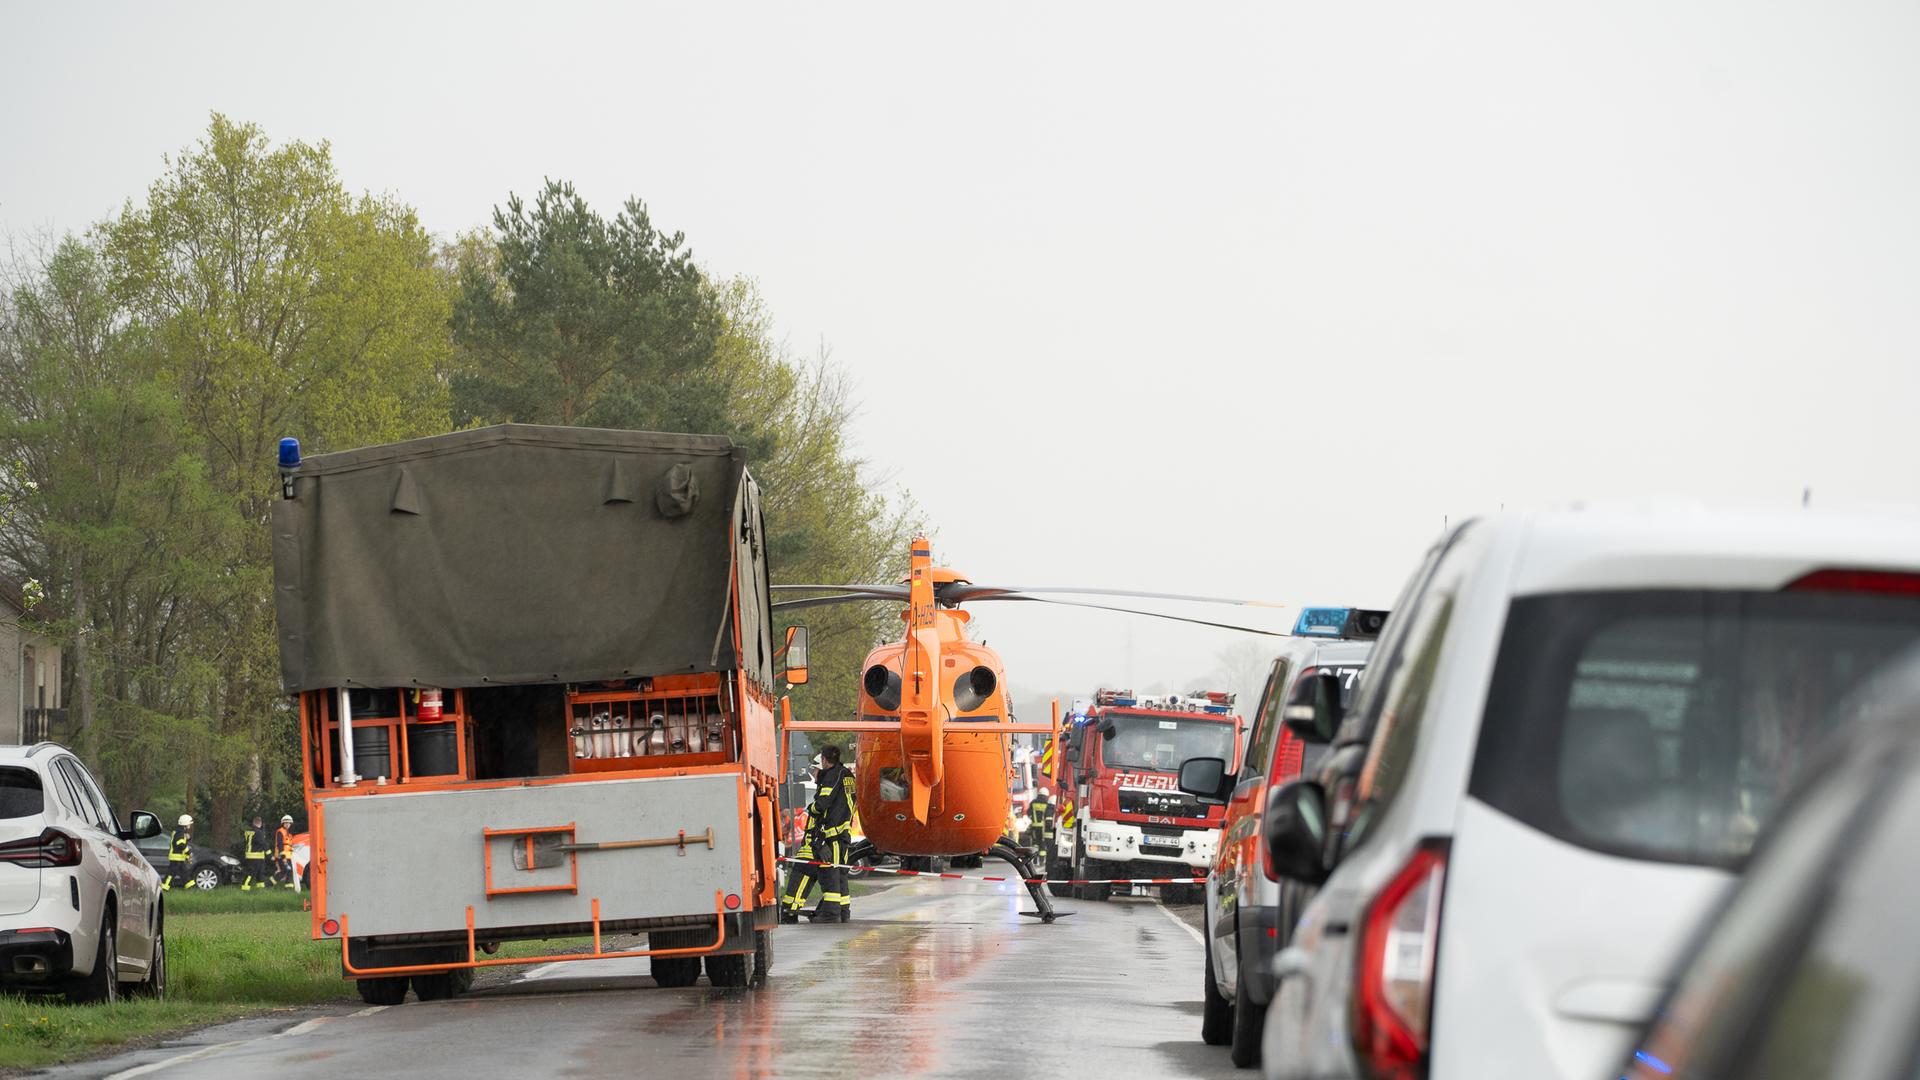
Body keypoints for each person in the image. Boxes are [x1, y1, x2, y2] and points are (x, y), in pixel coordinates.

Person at [782, 744, 857, 923]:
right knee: (838, 874)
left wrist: (812, 810)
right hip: (837, 836)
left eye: (815, 770)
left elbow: (822, 806)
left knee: (829, 873)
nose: (815, 775)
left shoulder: (832, 777)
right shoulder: (846, 776)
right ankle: (840, 911)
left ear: (823, 762)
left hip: (830, 837)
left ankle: (830, 913)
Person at [162, 815, 193, 892]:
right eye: (189, 824)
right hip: (176, 857)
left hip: (179, 857)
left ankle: (190, 887)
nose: (190, 825)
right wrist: (188, 852)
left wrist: (188, 839)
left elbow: (181, 842)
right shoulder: (180, 832)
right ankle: (164, 887)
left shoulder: (179, 831)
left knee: (184, 872)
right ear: (186, 824)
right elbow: (180, 844)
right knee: (171, 873)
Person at [241, 814, 270, 891]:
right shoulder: (258, 833)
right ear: (260, 823)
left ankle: (261, 888)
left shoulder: (248, 832)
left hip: (251, 856)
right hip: (256, 856)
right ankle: (245, 887)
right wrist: (270, 855)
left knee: (260, 874)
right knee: (251, 873)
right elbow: (263, 844)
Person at [1028, 788, 1052, 854]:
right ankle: (1041, 861)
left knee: (1035, 842)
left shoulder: (1033, 803)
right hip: (1043, 827)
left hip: (1034, 827)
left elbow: (1029, 813)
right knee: (1042, 843)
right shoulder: (1047, 804)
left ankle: (1034, 859)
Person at [275, 814, 296, 888]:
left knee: (286, 872)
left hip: (288, 856)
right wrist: (283, 856)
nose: (287, 824)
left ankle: (288, 888)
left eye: (289, 823)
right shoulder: (280, 832)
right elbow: (280, 844)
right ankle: (268, 884)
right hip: (282, 856)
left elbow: (288, 846)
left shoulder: (289, 834)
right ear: (283, 823)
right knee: (285, 872)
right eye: (286, 823)